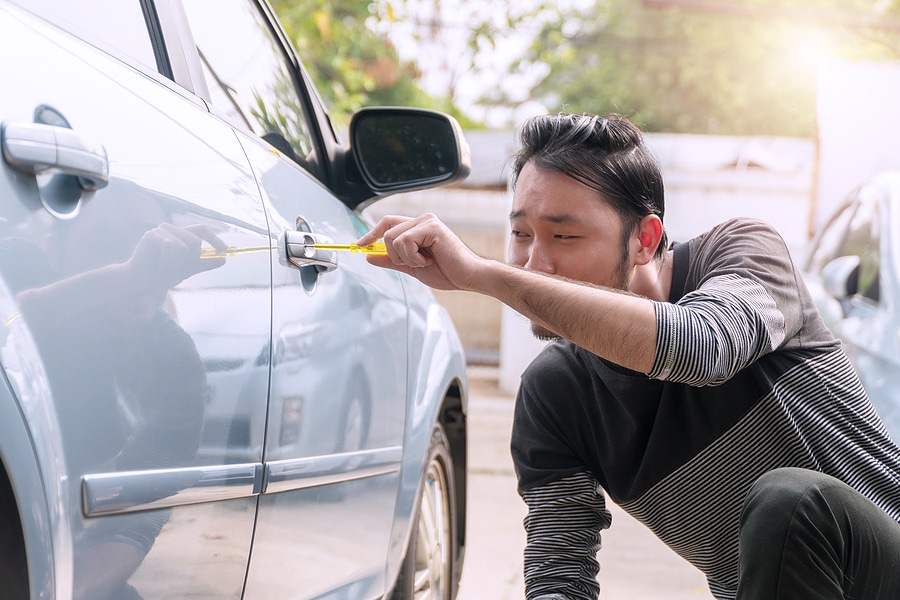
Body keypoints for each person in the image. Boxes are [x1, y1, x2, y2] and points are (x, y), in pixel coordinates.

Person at [356, 112, 900, 599]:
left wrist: (481, 275)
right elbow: (559, 574)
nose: (532, 262)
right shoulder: (556, 395)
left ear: (645, 238)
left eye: (564, 237)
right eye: (520, 235)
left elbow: (701, 348)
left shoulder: (744, 254)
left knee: (791, 503)